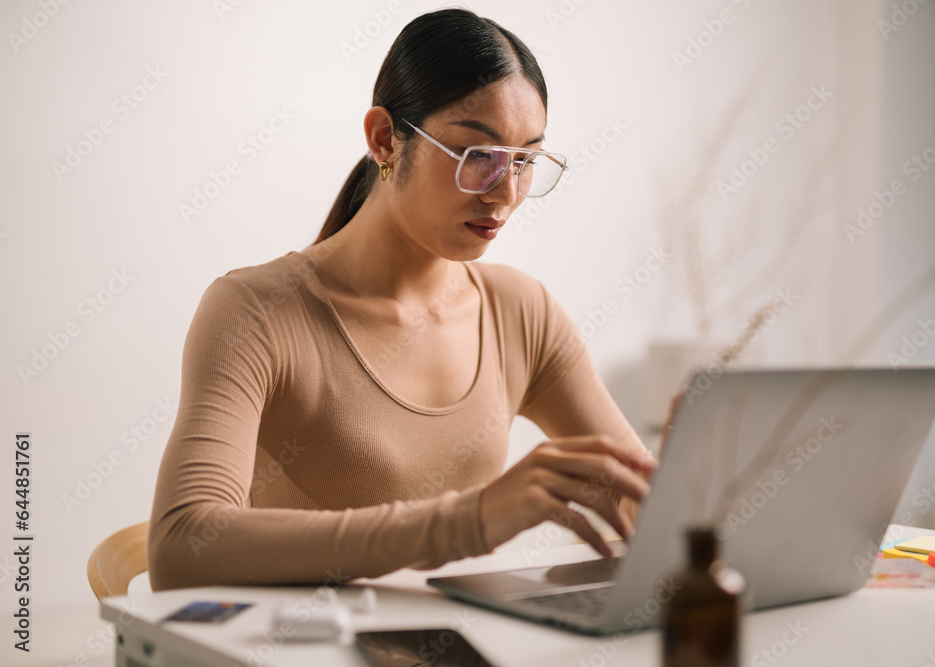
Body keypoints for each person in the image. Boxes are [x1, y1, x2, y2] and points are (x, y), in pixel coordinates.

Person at [148, 8, 656, 591]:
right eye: (478, 156)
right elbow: (181, 548)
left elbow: (639, 498)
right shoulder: (255, 313)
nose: (507, 193)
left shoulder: (522, 313)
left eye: (524, 160)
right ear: (386, 139)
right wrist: (469, 520)